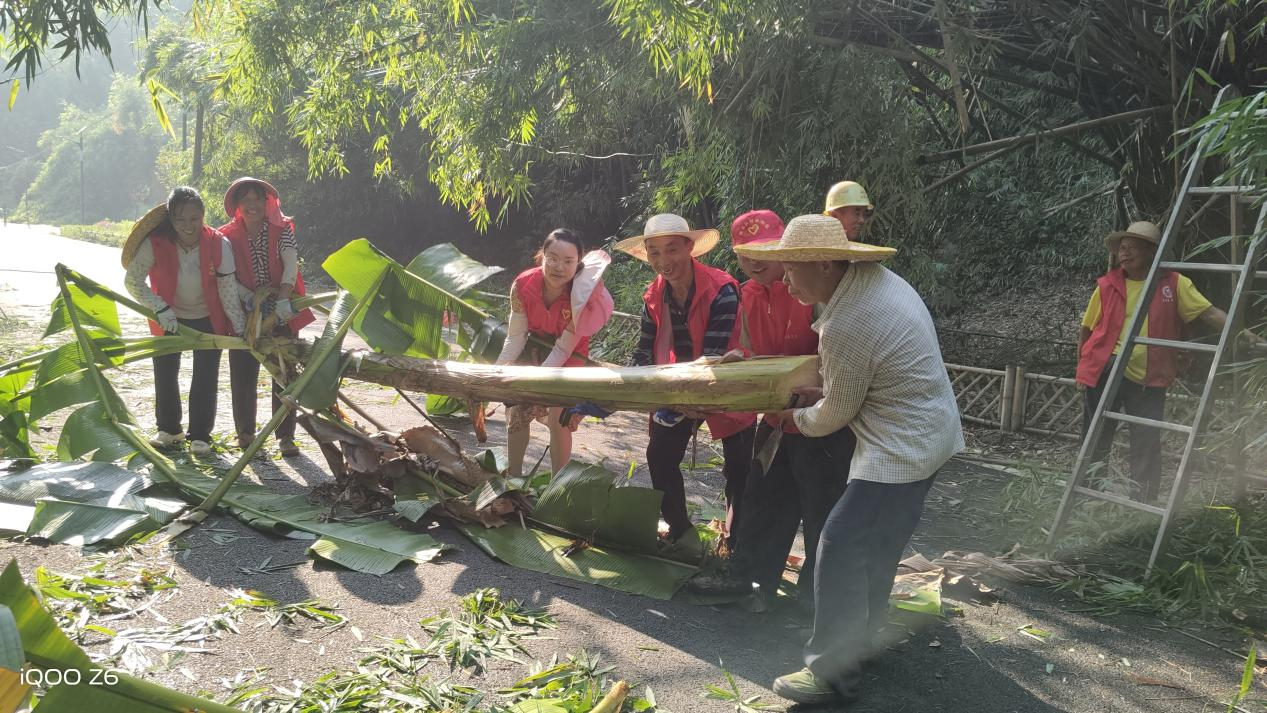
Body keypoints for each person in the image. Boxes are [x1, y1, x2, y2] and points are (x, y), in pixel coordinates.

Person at [735, 214, 963, 706]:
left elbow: (833, 415)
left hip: (900, 447)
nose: (787, 280)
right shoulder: (876, 283)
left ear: (821, 263)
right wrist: (821, 395)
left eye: (792, 269)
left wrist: (787, 416)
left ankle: (832, 673)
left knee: (838, 544)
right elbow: (859, 381)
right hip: (932, 431)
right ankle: (863, 642)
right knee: (876, 545)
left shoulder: (845, 321)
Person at [687, 210, 854, 613]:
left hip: (822, 420)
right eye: (745, 253)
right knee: (762, 498)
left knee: (822, 511)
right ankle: (747, 580)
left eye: (766, 249)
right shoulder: (747, 294)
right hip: (776, 419)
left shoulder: (816, 291)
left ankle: (817, 602)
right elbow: (751, 349)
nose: (755, 260)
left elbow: (841, 354)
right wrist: (737, 360)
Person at [1076, 219, 1261, 502]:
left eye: (1131, 248)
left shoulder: (1174, 284)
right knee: (1095, 434)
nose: (1123, 254)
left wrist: (1242, 332)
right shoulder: (1107, 285)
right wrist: (1082, 369)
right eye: (1121, 248)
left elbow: (1209, 314)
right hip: (1105, 368)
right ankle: (1089, 496)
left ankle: (1143, 500)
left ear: (1151, 251)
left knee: (1146, 439)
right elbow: (1087, 329)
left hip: (1150, 374)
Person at [616, 213, 755, 546]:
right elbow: (644, 353)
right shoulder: (653, 297)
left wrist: (684, 402)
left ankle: (738, 547)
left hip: (726, 381)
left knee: (740, 468)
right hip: (678, 383)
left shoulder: (722, 290)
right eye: (655, 252)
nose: (664, 260)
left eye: (672, 249)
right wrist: (619, 389)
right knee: (659, 457)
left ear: (689, 248)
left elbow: (714, 356)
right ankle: (681, 531)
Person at [122, 186, 246, 455]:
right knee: (165, 373)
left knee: (205, 376)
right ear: (170, 219)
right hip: (169, 317)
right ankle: (169, 430)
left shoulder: (218, 244)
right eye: (180, 219)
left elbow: (227, 289)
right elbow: (132, 281)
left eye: (194, 219)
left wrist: (239, 325)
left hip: (208, 317)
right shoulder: (155, 243)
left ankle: (200, 435)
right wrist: (159, 307)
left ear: (203, 216)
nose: (187, 226)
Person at [494, 228, 615, 476]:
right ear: (542, 256)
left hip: (569, 358)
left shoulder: (582, 296)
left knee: (559, 418)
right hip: (535, 349)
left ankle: (557, 485)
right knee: (516, 412)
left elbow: (563, 349)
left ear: (577, 263)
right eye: (553, 258)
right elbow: (516, 336)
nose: (559, 267)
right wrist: (496, 372)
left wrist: (539, 386)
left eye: (568, 261)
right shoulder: (522, 285)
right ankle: (513, 480)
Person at [219, 177, 315, 457]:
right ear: (238, 206)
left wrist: (284, 297)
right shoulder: (226, 237)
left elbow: (290, 264)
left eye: (257, 199)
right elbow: (225, 276)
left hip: (280, 306)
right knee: (243, 370)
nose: (252, 205)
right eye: (245, 200)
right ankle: (246, 434)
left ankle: (285, 436)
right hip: (246, 311)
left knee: (284, 372)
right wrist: (249, 297)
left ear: (266, 202)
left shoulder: (281, 228)